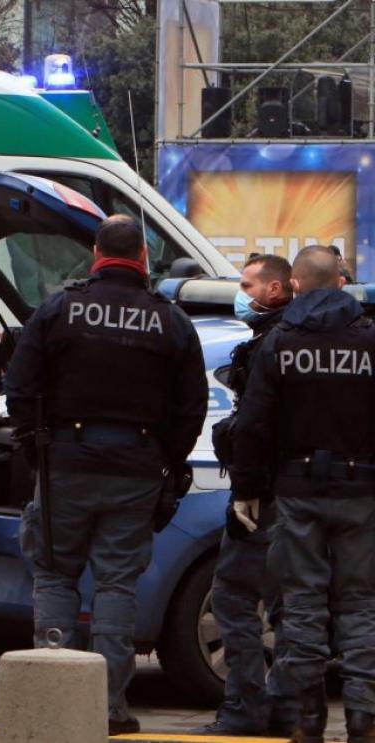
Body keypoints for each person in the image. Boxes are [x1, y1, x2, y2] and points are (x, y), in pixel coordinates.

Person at [4, 215, 208, 735]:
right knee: (117, 585)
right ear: (142, 257)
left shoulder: (58, 308)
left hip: (65, 465)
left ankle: (53, 699)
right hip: (135, 468)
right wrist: (166, 460)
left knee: (54, 574)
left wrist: (33, 446)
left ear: (95, 254)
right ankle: (110, 708)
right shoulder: (170, 319)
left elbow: (21, 385)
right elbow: (192, 406)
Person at [231, 245, 375, 743]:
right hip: (361, 491)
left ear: (294, 286)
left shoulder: (281, 342)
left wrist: (246, 490)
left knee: (302, 605)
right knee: (361, 605)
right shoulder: (371, 341)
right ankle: (362, 718)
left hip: (296, 489)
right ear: (341, 282)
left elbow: (253, 424)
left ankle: (308, 719)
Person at [199, 253, 296, 736]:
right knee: (291, 604)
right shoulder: (298, 339)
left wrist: (245, 494)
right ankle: (286, 705)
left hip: (265, 493)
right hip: (301, 492)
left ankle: (245, 704)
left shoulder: (270, 346)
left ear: (275, 290)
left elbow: (257, 429)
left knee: (233, 598)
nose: (241, 294)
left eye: (247, 284)